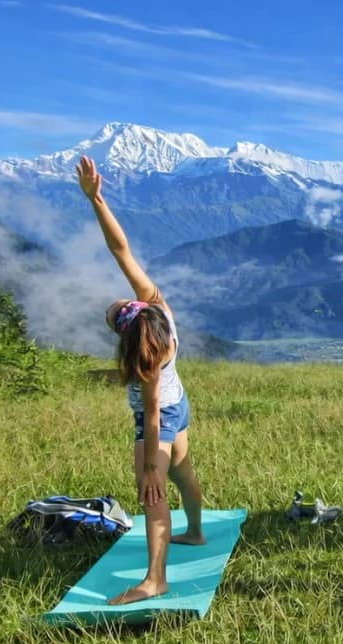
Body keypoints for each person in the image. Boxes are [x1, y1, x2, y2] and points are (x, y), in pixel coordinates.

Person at [77, 156, 205, 605]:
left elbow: (150, 411)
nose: (115, 306)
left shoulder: (147, 361)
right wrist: (97, 200)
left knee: (152, 492)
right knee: (184, 473)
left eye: (112, 314)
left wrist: (151, 466)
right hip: (180, 402)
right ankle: (195, 532)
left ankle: (155, 579)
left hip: (161, 417)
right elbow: (121, 249)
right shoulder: (156, 307)